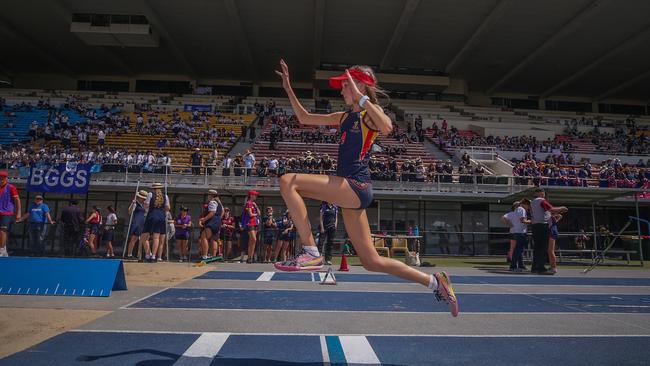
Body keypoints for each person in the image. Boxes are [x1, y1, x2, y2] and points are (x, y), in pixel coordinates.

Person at [274, 60, 458, 316]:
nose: (340, 91)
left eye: (344, 86)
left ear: (358, 85)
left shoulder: (367, 115)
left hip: (355, 185)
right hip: (352, 191)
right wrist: (287, 87)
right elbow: (304, 118)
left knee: (288, 180)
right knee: (371, 262)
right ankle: (434, 282)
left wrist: (362, 98)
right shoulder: (345, 116)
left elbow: (386, 126)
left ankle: (310, 251)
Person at [530, 187, 568, 274]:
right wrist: (561, 208)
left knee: (537, 248)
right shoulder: (541, 201)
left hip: (535, 225)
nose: (544, 195)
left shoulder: (532, 203)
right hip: (542, 226)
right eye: (543, 193)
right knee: (543, 248)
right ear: (541, 193)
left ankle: (535, 267)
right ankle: (540, 267)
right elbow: (551, 209)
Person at [141, 183, 170, 262]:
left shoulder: (150, 194)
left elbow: (146, 205)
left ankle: (148, 254)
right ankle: (154, 256)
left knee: (144, 236)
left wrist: (144, 204)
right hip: (161, 216)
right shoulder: (165, 196)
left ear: (153, 189)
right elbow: (168, 208)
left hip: (152, 215)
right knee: (156, 237)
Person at [502, 199, 531, 272]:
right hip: (520, 232)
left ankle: (520, 265)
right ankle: (513, 266)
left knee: (519, 250)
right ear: (525, 204)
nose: (529, 207)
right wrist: (531, 221)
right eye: (528, 205)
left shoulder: (517, 210)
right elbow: (523, 220)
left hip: (517, 232)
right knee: (517, 250)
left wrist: (510, 225)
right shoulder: (521, 209)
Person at [198, 189, 223, 261]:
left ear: (211, 195)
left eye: (208, 194)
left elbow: (212, 212)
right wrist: (218, 219)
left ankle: (205, 255)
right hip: (217, 222)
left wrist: (204, 219)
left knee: (204, 237)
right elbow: (222, 212)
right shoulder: (220, 203)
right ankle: (213, 255)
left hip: (212, 221)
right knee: (214, 239)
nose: (208, 196)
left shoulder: (212, 202)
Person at [0, 170, 21, 257]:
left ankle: (1, 250)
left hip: (7, 212)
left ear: (6, 178)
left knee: (2, 230)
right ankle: (4, 249)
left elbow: (17, 200)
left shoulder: (11, 187)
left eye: (2, 178)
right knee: (3, 232)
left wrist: (18, 213)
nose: (1, 180)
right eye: (0, 178)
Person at [125, 190, 148, 259]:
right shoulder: (135, 203)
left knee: (145, 238)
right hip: (136, 222)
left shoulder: (143, 204)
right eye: (143, 198)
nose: (144, 199)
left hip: (142, 222)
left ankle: (147, 254)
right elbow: (129, 212)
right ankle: (129, 254)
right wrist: (132, 204)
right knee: (134, 239)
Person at [242, 190, 260, 263]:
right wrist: (256, 214)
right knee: (254, 239)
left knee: (252, 241)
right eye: (254, 195)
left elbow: (259, 213)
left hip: (255, 223)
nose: (256, 196)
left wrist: (256, 206)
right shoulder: (248, 203)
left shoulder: (253, 204)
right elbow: (250, 214)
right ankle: (249, 257)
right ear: (251, 195)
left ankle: (250, 258)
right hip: (250, 223)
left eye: (256, 195)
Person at [319, 201, 339, 265]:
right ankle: (319, 259)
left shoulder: (335, 207)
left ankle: (328, 260)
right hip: (324, 227)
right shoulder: (324, 207)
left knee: (330, 243)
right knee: (321, 243)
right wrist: (322, 227)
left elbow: (336, 217)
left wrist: (335, 225)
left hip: (332, 227)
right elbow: (321, 218)